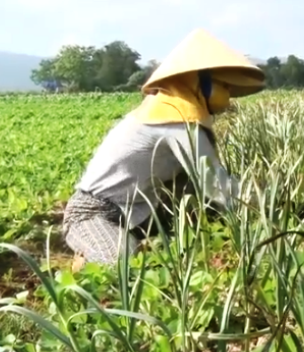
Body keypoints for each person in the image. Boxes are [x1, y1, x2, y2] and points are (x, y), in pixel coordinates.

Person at [62, 28, 265, 269]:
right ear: (199, 81)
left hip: (138, 210)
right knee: (123, 262)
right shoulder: (175, 117)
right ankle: (85, 261)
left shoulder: (170, 111)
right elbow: (215, 184)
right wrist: (266, 204)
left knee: (192, 199)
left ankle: (139, 240)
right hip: (92, 213)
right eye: (223, 85)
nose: (227, 94)